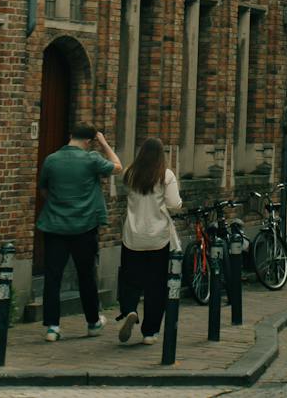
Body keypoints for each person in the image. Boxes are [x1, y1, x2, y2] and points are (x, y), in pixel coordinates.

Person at [37, 121, 122, 341]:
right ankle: (92, 322)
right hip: (84, 226)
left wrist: (58, 205)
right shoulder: (91, 159)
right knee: (86, 275)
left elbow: (44, 189)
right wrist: (103, 143)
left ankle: (52, 327)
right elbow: (118, 166)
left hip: (54, 225)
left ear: (71, 136)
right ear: (88, 141)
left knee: (52, 277)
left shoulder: (51, 160)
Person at [113, 137, 182, 345]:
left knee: (129, 279)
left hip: (133, 236)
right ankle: (150, 332)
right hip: (158, 238)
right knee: (156, 285)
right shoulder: (165, 175)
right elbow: (173, 204)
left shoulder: (130, 173)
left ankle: (130, 310)